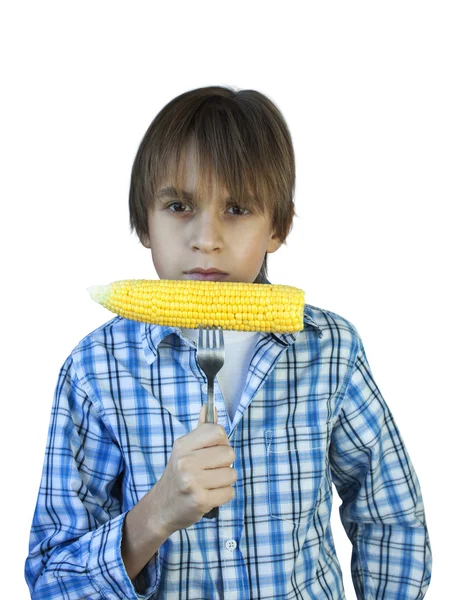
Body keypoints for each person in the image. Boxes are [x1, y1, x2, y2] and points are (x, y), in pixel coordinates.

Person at [25, 86, 432, 599]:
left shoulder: (331, 350)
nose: (206, 238)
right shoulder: (94, 371)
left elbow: (389, 514)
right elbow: (51, 579)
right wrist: (155, 514)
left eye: (237, 209)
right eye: (178, 205)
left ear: (277, 228)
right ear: (143, 223)